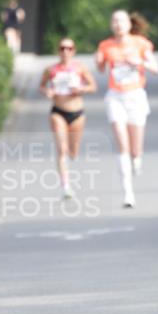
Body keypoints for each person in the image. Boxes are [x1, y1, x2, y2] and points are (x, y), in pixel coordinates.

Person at [95, 10, 158, 208]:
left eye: (121, 21)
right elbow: (100, 69)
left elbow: (156, 68)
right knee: (121, 144)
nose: (118, 24)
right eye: (114, 21)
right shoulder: (106, 46)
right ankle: (128, 193)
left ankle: (136, 159)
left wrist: (139, 62)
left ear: (129, 24)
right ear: (111, 25)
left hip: (136, 96)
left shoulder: (140, 43)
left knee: (135, 148)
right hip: (115, 97)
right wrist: (98, 61)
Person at [39, 38, 97, 198]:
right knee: (61, 149)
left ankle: (71, 159)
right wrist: (47, 92)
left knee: (73, 152)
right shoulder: (51, 69)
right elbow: (42, 86)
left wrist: (81, 89)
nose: (65, 51)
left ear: (74, 51)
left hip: (77, 113)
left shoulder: (80, 68)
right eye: (62, 48)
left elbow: (93, 86)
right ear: (58, 51)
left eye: (69, 48)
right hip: (58, 112)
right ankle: (65, 186)